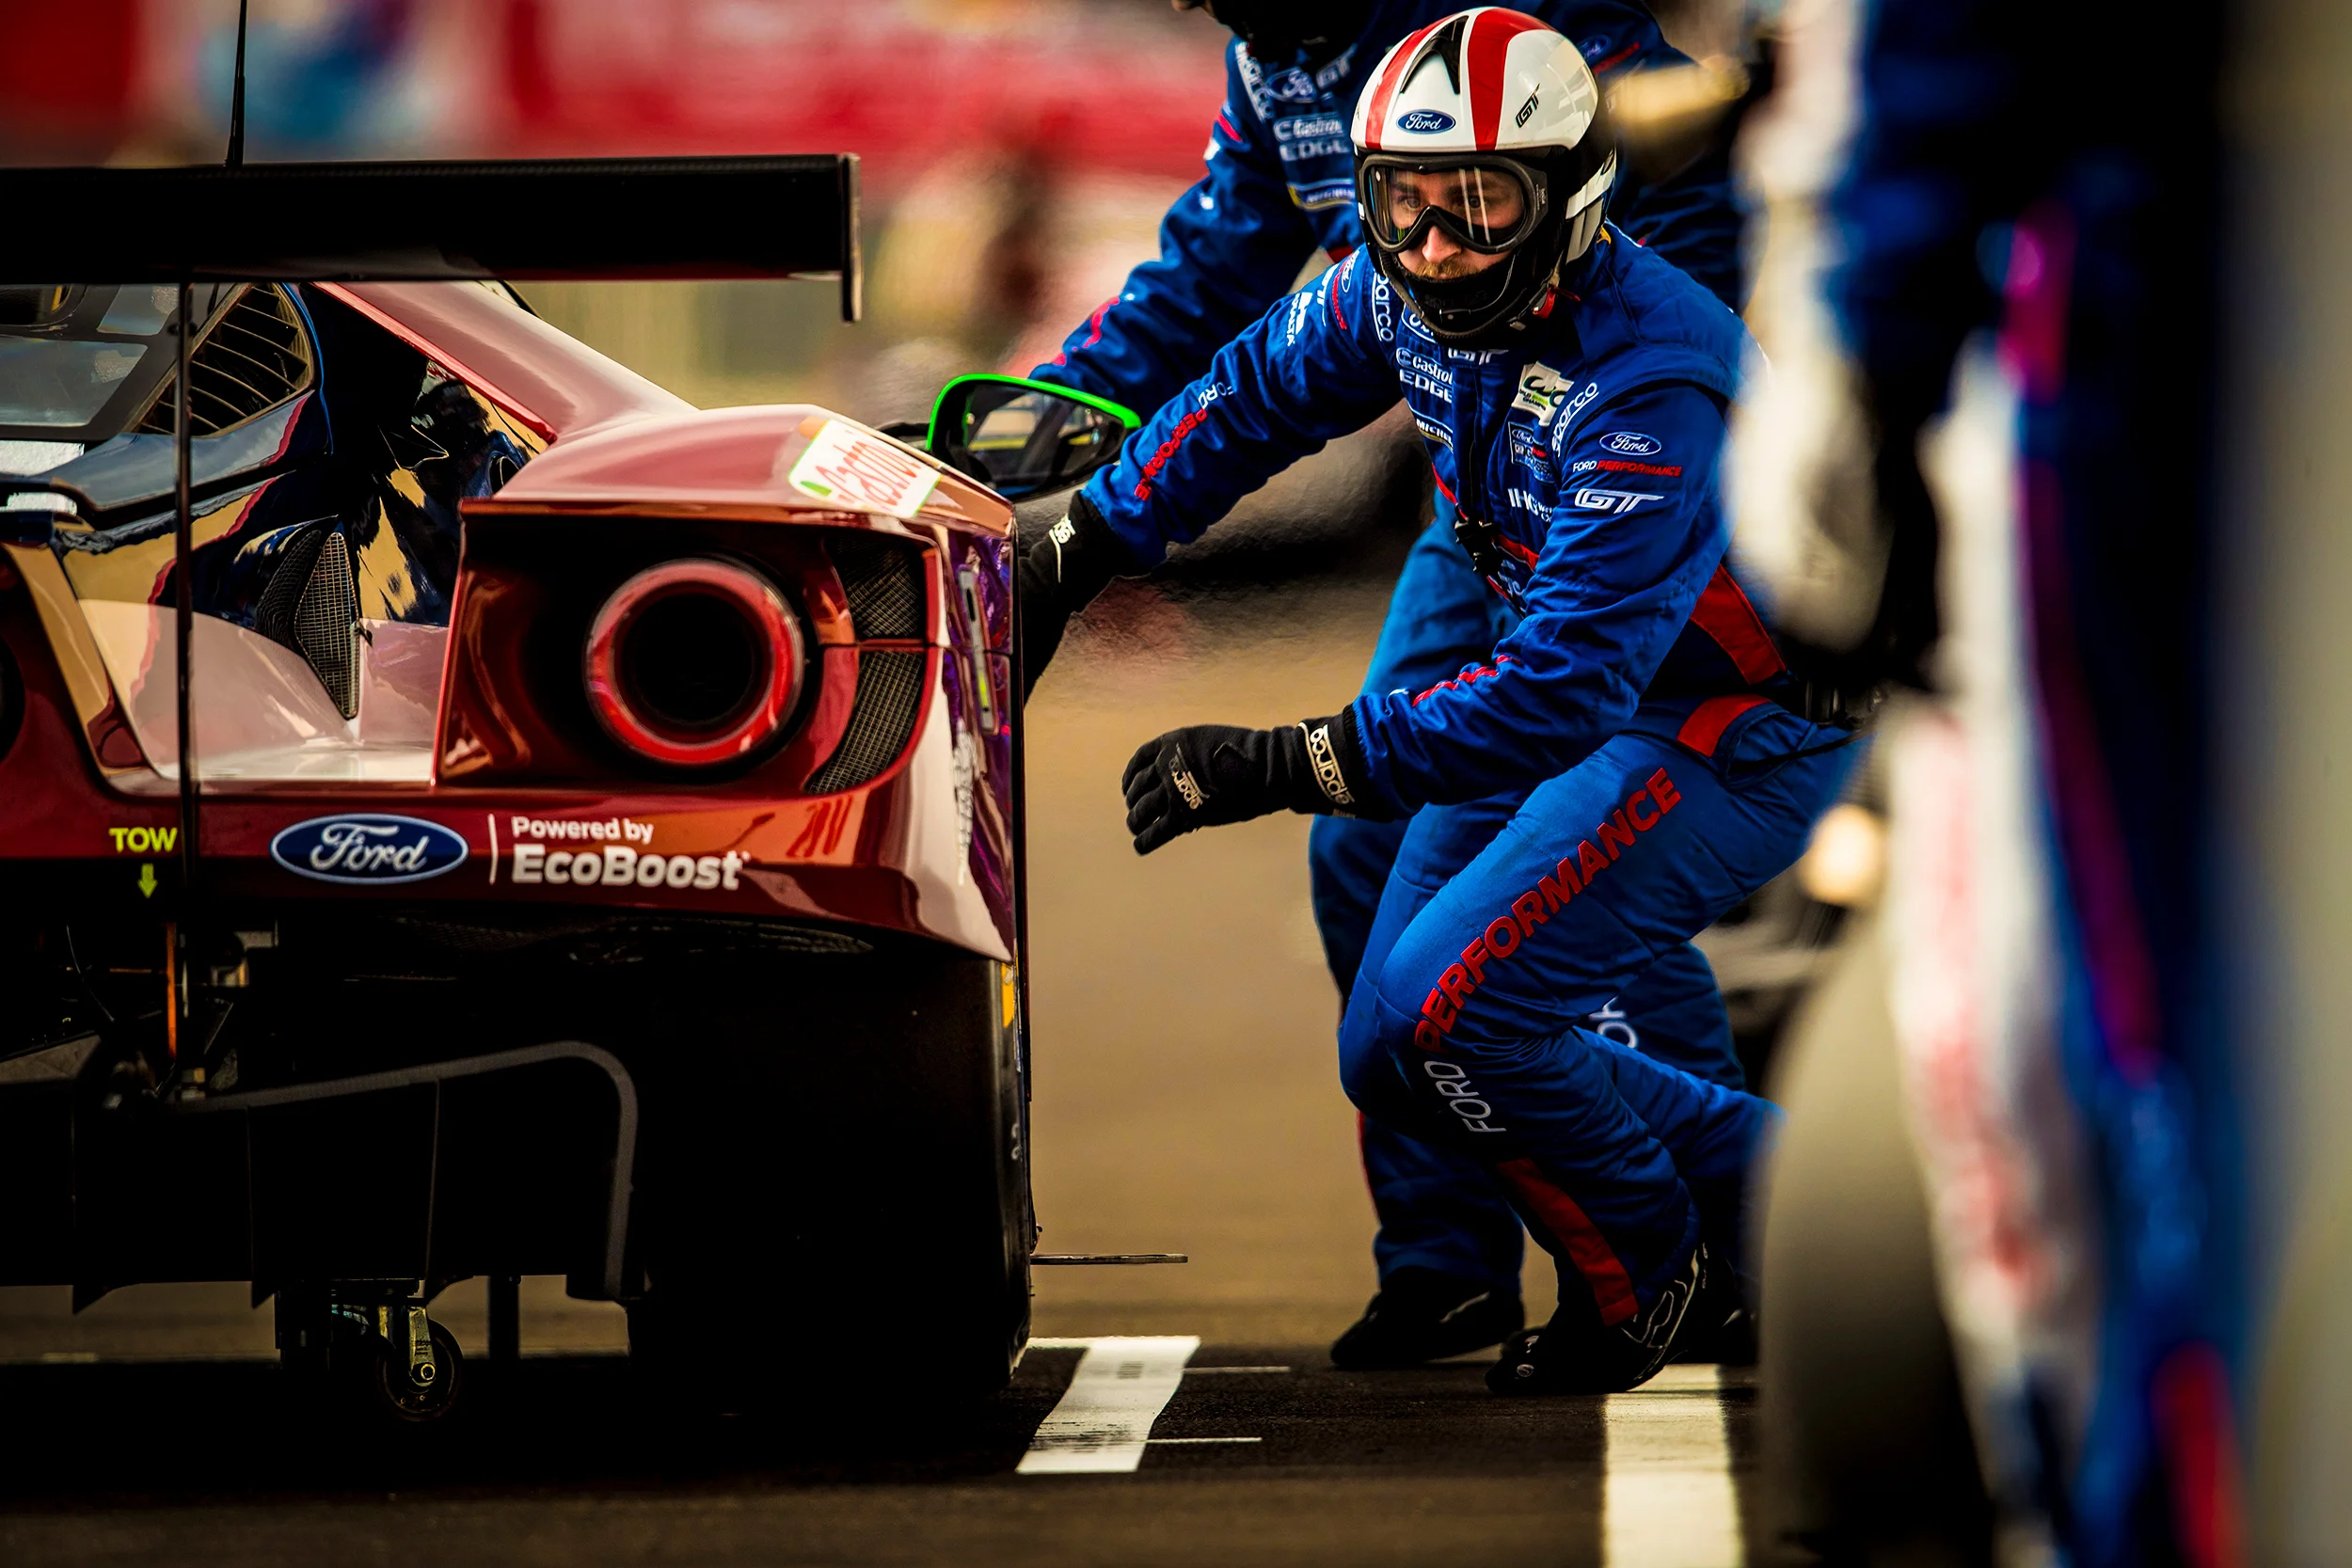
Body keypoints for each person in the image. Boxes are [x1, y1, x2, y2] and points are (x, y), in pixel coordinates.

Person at [1022, 8, 1858, 1393]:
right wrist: (1086, 539)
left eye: (1477, 204)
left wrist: (1282, 758)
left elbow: (1558, 698)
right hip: (1570, 649)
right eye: (1401, 206)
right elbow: (1246, 392)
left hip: (1717, 717)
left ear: (1573, 196)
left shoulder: (1654, 375)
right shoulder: (1387, 281)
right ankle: (1671, 1225)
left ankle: (1680, 1261)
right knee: (1394, 1046)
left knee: (1458, 1010)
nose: (1434, 248)